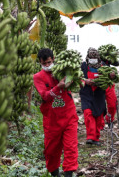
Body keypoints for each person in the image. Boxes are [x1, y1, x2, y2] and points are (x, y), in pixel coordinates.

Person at [33, 48, 78, 177]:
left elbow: (77, 82)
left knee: (71, 147)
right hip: (52, 119)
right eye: (44, 64)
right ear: (40, 63)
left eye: (49, 62)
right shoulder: (38, 77)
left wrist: (75, 79)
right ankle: (55, 174)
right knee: (51, 150)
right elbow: (45, 96)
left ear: (53, 59)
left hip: (68, 115)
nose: (47, 66)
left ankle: (69, 174)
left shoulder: (64, 71)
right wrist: (58, 87)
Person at [80, 48, 107, 145]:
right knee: (88, 113)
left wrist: (100, 81)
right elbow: (78, 77)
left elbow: (107, 78)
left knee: (98, 115)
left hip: (99, 93)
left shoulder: (103, 66)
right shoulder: (83, 66)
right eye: (91, 57)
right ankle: (90, 137)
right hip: (86, 92)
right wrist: (85, 81)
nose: (93, 59)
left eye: (94, 57)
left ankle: (96, 137)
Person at [101, 58, 119, 124]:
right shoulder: (98, 59)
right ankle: (100, 123)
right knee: (100, 107)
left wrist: (110, 58)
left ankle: (109, 119)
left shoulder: (109, 60)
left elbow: (117, 63)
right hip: (99, 83)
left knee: (113, 104)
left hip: (109, 83)